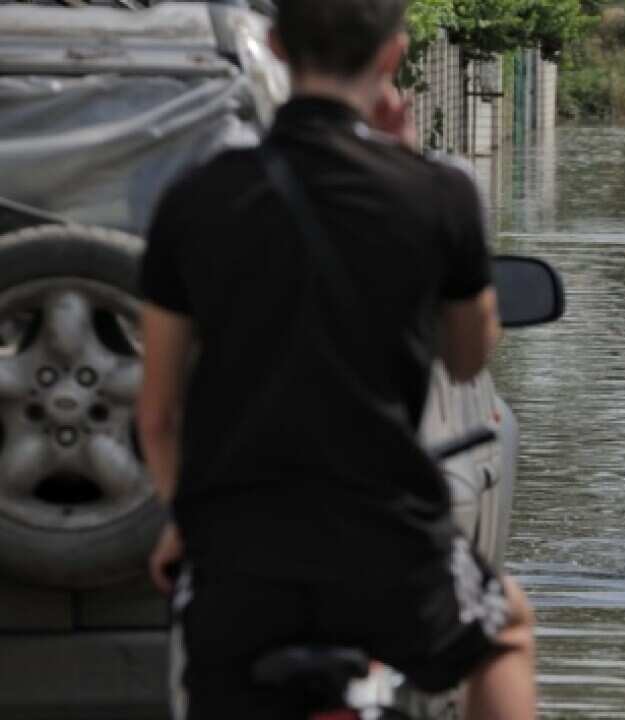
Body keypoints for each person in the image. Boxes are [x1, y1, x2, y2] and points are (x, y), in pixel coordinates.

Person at [135, 1, 535, 717]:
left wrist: (184, 521)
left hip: (239, 555)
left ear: (280, 47)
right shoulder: (438, 193)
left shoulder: (196, 198)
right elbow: (470, 357)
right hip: (387, 549)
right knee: (506, 628)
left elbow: (158, 414)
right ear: (392, 56)